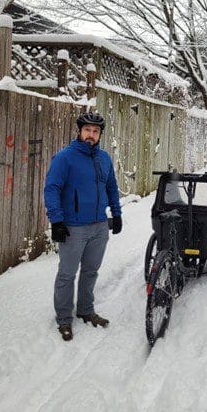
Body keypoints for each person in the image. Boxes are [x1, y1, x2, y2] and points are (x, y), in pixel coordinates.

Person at [44, 111, 122, 341]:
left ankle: (86, 310)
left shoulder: (104, 158)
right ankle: (64, 319)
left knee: (91, 271)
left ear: (100, 135)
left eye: (95, 131)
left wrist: (116, 215)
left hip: (99, 226)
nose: (91, 134)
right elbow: (51, 189)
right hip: (73, 227)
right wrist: (56, 220)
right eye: (87, 130)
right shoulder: (65, 157)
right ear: (79, 131)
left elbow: (111, 188)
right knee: (67, 274)